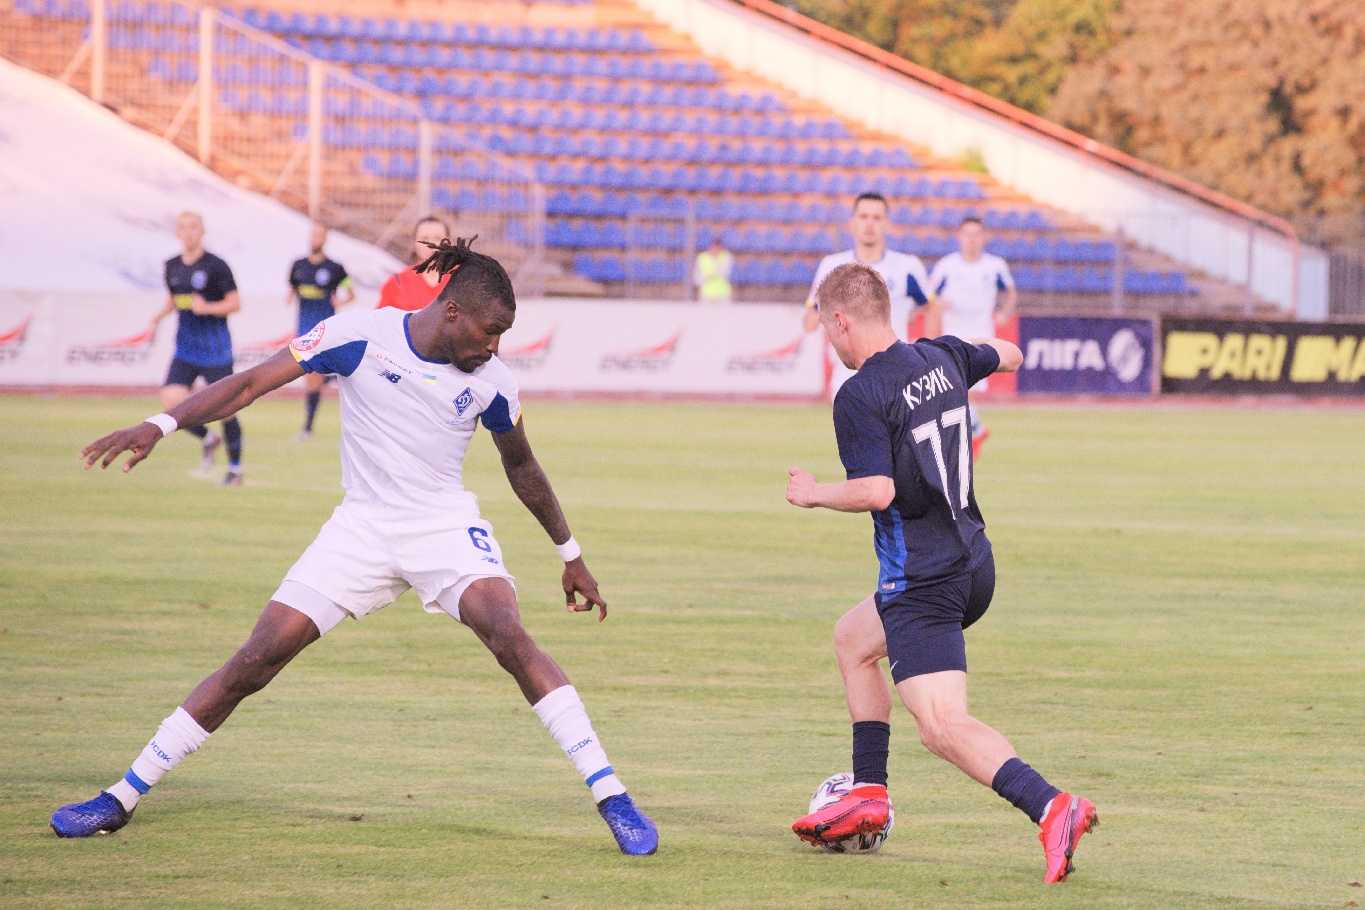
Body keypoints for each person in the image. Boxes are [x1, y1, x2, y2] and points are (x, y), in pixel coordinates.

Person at [54, 237, 659, 856]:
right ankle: (121, 796)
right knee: (257, 658)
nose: (495, 346)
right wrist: (161, 423)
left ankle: (612, 795)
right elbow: (251, 383)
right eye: (491, 331)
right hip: (361, 529)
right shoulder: (358, 336)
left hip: (442, 526)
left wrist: (570, 554)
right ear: (452, 310)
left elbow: (522, 467)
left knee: (509, 634)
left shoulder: (493, 383)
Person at [785, 263, 1096, 883]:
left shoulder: (859, 394)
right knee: (852, 640)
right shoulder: (942, 355)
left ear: (841, 321)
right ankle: (868, 792)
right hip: (973, 562)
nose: (831, 343)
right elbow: (1009, 354)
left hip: (924, 583)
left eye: (827, 329)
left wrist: (814, 492)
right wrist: (967, 358)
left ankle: (1052, 806)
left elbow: (876, 491)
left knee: (941, 726)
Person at [147, 211, 245, 486]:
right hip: (185, 350)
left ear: (202, 231)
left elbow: (235, 303)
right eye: (183, 228)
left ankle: (235, 469)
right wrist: (157, 317)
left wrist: (208, 307)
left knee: (227, 409)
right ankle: (208, 438)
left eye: (193, 227)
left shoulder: (217, 266)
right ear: (177, 233)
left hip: (216, 350)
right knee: (171, 402)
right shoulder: (171, 266)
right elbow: (174, 299)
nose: (188, 232)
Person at [802, 193, 930, 397]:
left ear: (886, 224)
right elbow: (811, 320)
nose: (870, 224)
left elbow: (929, 307)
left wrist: (928, 354)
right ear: (852, 223)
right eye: (863, 217)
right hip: (849, 374)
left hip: (897, 372)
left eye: (876, 218)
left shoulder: (907, 267)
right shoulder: (832, 266)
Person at [925, 217, 1017, 458]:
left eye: (976, 234)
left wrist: (1005, 312)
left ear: (984, 237)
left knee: (966, 389)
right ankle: (975, 430)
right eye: (967, 234)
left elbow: (1010, 291)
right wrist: (938, 303)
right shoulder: (947, 266)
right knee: (954, 391)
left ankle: (969, 434)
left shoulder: (994, 266)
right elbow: (929, 298)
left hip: (982, 337)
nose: (972, 239)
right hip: (953, 337)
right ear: (960, 237)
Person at [287, 222, 356, 439]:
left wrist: (341, 300)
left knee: (313, 376)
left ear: (325, 239)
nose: (316, 238)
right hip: (303, 330)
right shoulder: (297, 265)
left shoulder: (336, 268)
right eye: (314, 234)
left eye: (320, 235)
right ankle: (330, 378)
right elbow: (291, 290)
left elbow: (350, 292)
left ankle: (307, 428)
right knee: (311, 377)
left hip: (325, 330)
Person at [378, 215, 454, 311]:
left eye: (437, 238)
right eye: (424, 239)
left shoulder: (463, 279)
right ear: (414, 243)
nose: (431, 245)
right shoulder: (397, 282)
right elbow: (381, 318)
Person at [692, 236, 733, 302]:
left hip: (722, 293)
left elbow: (726, 273)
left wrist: (713, 274)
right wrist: (706, 277)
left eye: (718, 248)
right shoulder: (702, 257)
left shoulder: (726, 256)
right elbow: (697, 277)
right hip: (706, 294)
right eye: (714, 247)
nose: (716, 250)